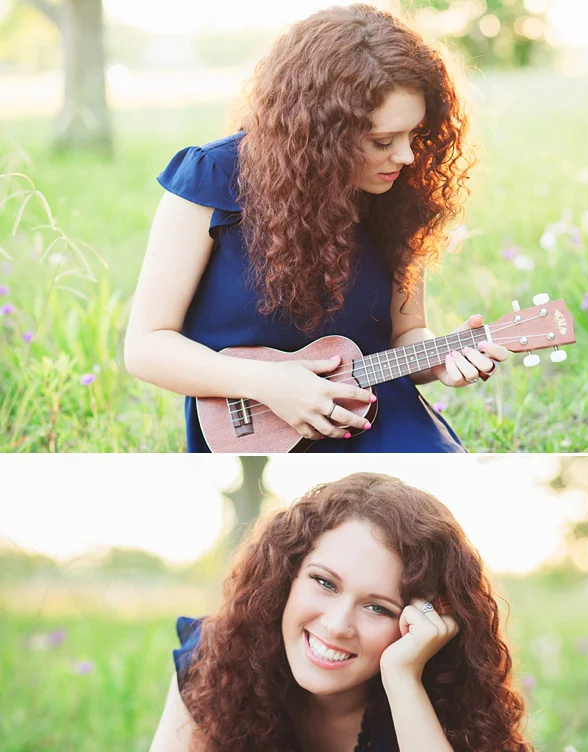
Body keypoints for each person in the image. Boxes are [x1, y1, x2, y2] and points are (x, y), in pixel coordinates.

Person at [124, 3, 509, 453]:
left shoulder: (400, 196)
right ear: (320, 133)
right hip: (256, 425)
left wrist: (440, 360)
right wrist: (270, 385)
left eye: (414, 134)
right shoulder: (210, 179)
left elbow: (407, 335)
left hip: (373, 413)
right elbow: (147, 347)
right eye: (382, 141)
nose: (406, 157)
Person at [128, 473, 535, 752]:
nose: (338, 625)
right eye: (324, 582)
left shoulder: (439, 689)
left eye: (378, 608)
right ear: (287, 573)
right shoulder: (220, 655)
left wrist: (403, 678)